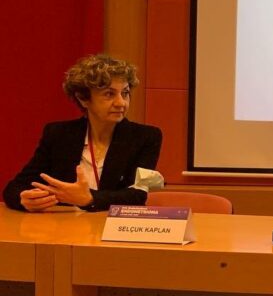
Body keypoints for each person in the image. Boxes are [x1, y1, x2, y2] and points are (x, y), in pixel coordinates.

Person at [4, 54, 163, 212]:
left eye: (125, 93)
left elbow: (137, 195)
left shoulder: (145, 137)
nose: (121, 102)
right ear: (83, 99)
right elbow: (15, 187)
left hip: (113, 224)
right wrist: (23, 199)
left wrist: (90, 199)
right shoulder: (59, 135)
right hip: (65, 225)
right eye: (109, 94)